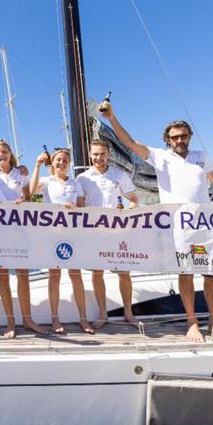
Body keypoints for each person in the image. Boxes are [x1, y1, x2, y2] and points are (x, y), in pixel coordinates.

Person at [100, 105, 213, 343]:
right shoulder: (160, 157)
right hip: (180, 226)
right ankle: (191, 322)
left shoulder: (201, 157)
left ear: (189, 137)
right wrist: (112, 118)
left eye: (183, 136)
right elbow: (127, 142)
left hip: (205, 223)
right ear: (167, 139)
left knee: (211, 273)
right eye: (174, 137)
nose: (179, 140)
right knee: (186, 272)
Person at [30, 148, 95, 335]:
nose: (62, 162)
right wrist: (37, 165)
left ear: (69, 163)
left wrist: (74, 208)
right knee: (55, 276)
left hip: (72, 234)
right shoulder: (46, 181)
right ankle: (55, 319)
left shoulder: (75, 183)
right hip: (51, 234)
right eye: (58, 159)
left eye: (65, 160)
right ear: (54, 162)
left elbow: (82, 207)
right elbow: (31, 191)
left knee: (76, 275)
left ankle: (83, 319)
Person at [0, 139, 47, 337]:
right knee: (2, 275)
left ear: (11, 153)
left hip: (19, 229)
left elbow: (29, 197)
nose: (0, 155)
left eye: (4, 151)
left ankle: (27, 319)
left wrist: (23, 199)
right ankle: (10, 322)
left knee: (23, 274)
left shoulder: (21, 173)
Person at [76, 140, 139, 329]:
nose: (98, 158)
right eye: (95, 154)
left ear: (108, 154)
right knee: (97, 273)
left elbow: (134, 201)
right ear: (90, 155)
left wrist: (126, 215)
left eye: (102, 154)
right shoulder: (82, 179)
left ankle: (129, 313)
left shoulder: (120, 175)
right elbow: (80, 206)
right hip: (94, 234)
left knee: (124, 273)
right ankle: (103, 314)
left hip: (118, 232)